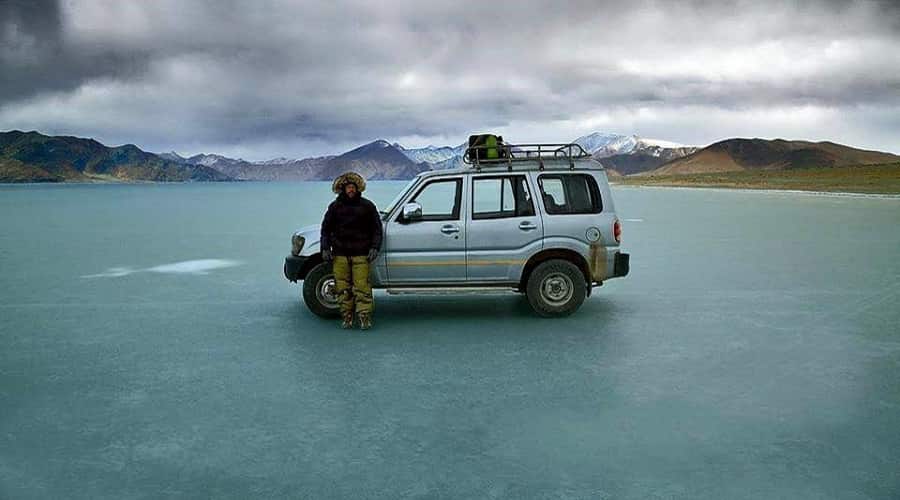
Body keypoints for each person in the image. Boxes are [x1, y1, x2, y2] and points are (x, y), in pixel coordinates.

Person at [320, 172, 383, 330]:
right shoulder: (334, 207)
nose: (350, 190)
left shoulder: (367, 206)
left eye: (353, 187)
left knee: (362, 287)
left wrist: (375, 247)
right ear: (342, 189)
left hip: (361, 254)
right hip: (340, 254)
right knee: (342, 288)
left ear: (357, 188)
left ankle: (364, 317)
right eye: (348, 187)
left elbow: (377, 229)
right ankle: (347, 316)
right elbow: (325, 229)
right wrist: (325, 248)